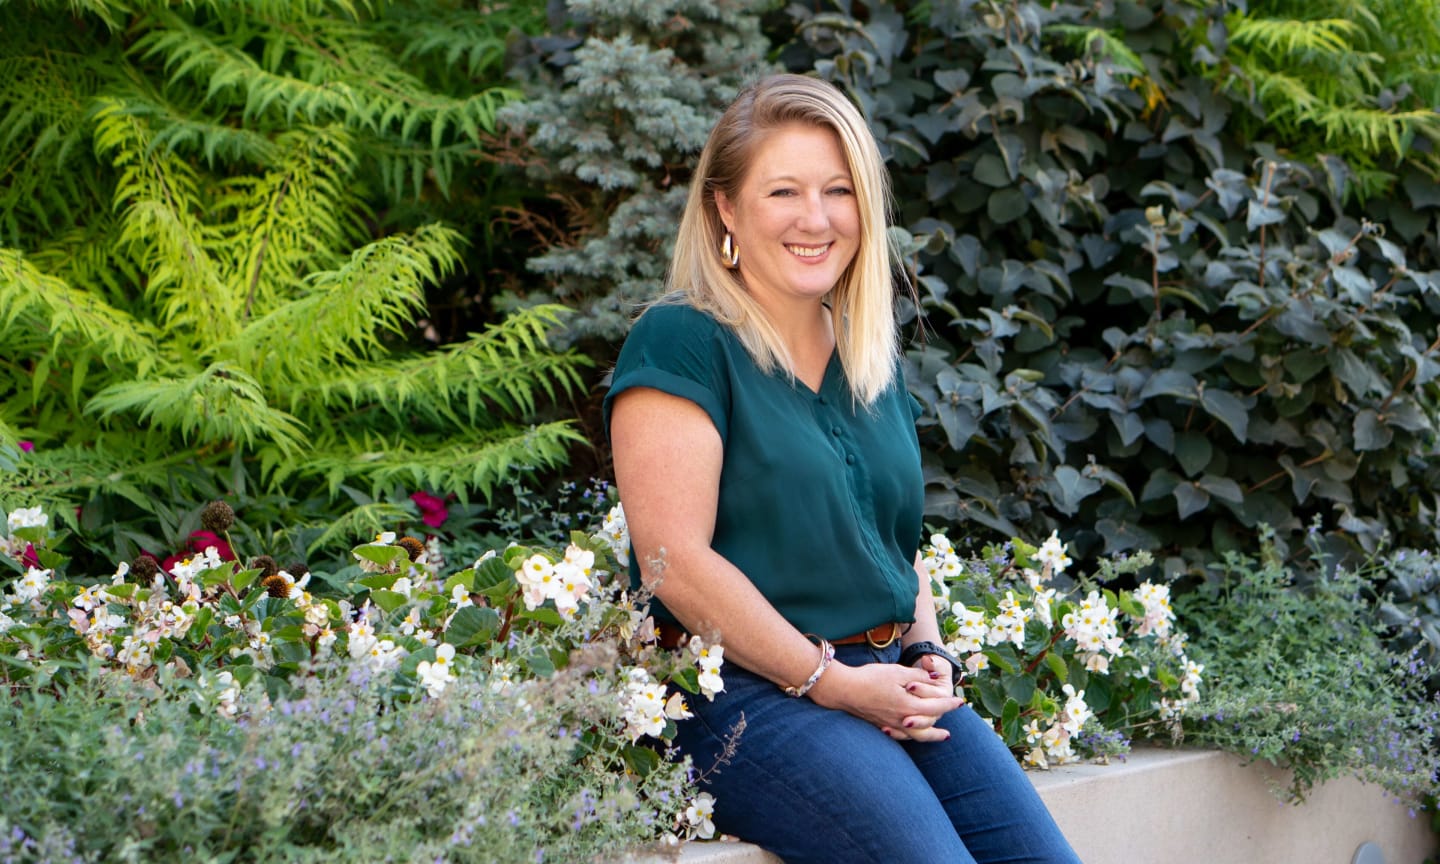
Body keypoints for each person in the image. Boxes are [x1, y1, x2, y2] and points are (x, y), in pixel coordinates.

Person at [604, 73, 1081, 864]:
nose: (816, 219)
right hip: (744, 696)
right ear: (725, 207)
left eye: (838, 190)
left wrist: (932, 655)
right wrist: (831, 681)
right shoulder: (683, 340)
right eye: (783, 191)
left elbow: (890, 542)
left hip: (883, 677)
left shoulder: (865, 354)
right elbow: (672, 562)